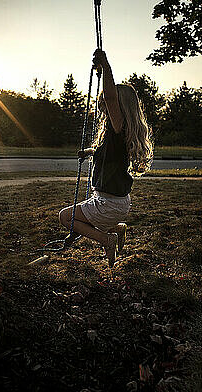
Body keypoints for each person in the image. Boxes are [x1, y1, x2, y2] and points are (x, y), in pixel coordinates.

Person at [59, 48, 153, 268]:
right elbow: (107, 154)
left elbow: (111, 97)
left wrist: (105, 65)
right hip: (117, 203)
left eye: (108, 103)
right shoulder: (121, 136)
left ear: (119, 107)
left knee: (65, 217)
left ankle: (107, 239)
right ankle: (117, 228)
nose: (103, 105)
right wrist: (90, 152)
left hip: (108, 204)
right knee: (81, 217)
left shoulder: (117, 129)